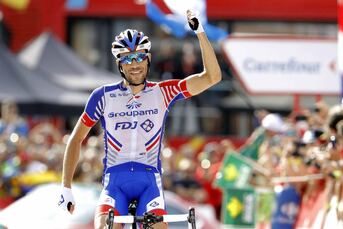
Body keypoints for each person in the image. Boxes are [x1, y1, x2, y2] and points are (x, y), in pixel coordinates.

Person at [58, 10, 221, 229]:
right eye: (127, 58)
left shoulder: (162, 91)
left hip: (149, 182)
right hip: (115, 182)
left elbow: (212, 77)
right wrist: (66, 187)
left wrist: (199, 32)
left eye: (139, 57)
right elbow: (76, 139)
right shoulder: (103, 96)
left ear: (148, 59)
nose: (134, 64)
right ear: (120, 64)